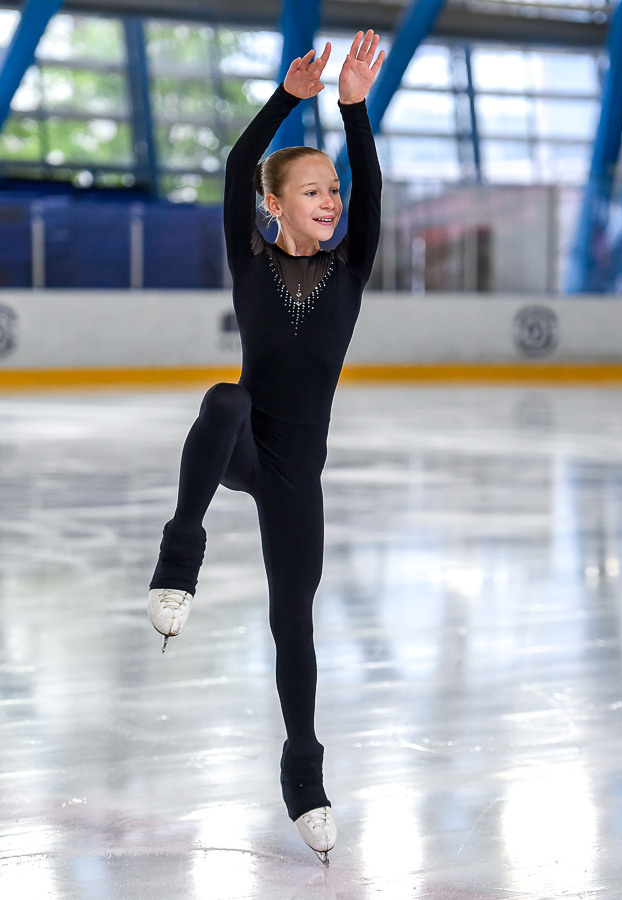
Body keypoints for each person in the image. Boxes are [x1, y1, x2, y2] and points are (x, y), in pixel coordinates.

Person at [147, 30, 384, 864]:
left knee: (294, 623)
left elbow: (371, 186)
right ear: (273, 206)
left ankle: (303, 776)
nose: (331, 200)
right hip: (243, 443)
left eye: (333, 190)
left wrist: (352, 109)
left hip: (294, 477)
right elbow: (236, 163)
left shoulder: (350, 269)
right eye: (311, 190)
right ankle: (179, 559)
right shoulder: (248, 260)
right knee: (224, 397)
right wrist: (287, 97)